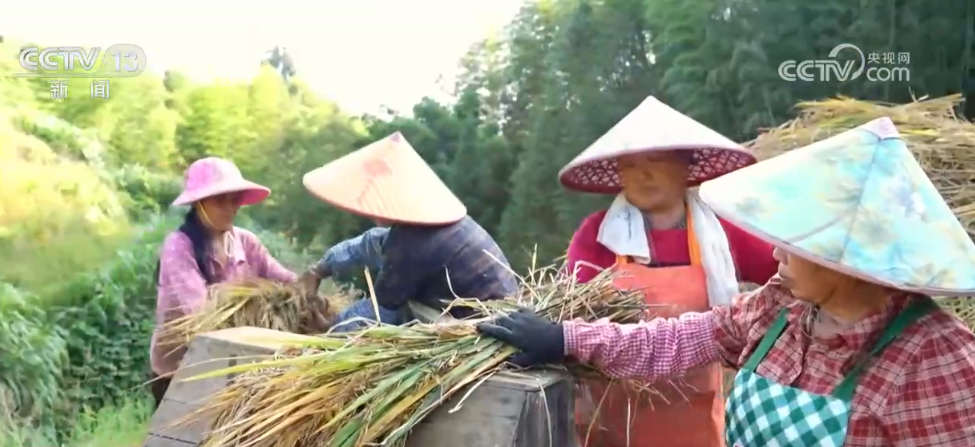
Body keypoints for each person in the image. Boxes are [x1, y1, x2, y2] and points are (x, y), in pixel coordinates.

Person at [479, 117, 975, 446]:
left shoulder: (936, 361)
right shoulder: (778, 310)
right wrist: (564, 336)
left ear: (848, 257)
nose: (775, 251)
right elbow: (671, 340)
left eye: (795, 241)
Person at [556, 95, 778, 447]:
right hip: (612, 414)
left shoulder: (722, 232)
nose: (642, 174)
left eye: (655, 160)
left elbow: (789, 278)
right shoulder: (597, 235)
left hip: (692, 419)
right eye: (629, 165)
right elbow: (571, 317)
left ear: (685, 166)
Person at [297, 132, 517, 331]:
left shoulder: (413, 244)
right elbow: (373, 244)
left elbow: (379, 311)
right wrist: (319, 270)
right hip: (487, 306)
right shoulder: (426, 221)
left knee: (398, 310)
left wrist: (331, 329)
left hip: (482, 324)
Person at [149, 157, 302, 409]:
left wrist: (304, 290)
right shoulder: (179, 247)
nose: (230, 208)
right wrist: (257, 311)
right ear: (199, 203)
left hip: (231, 363)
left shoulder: (246, 242)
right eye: (220, 201)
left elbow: (284, 279)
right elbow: (202, 315)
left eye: (234, 200)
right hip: (180, 367)